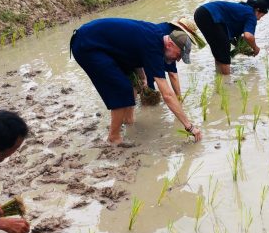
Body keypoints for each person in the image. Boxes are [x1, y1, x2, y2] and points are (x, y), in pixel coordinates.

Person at [70, 17, 203, 144]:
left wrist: (143, 77)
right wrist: (189, 126)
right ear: (169, 44)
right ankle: (113, 137)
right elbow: (167, 94)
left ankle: (128, 121)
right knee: (122, 89)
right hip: (87, 45)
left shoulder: (157, 36)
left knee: (129, 86)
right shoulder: (154, 47)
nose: (178, 59)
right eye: (179, 55)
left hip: (98, 43)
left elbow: (134, 50)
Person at [193, 0, 269, 75]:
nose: (259, 19)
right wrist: (255, 48)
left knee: (219, 50)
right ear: (257, 10)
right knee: (224, 50)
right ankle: (227, 82)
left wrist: (240, 47)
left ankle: (220, 78)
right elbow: (248, 36)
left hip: (201, 13)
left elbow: (230, 36)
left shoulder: (244, 9)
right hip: (209, 15)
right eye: (261, 16)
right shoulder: (251, 15)